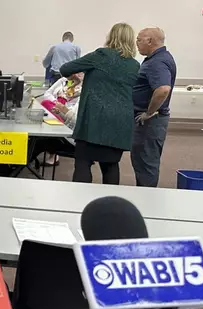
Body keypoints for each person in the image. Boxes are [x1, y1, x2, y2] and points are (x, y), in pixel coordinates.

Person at [59, 22, 140, 185]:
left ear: (111, 36)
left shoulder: (100, 56)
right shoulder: (134, 65)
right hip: (120, 121)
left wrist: (75, 77)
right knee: (111, 164)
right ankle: (110, 202)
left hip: (94, 119)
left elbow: (65, 68)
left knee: (83, 162)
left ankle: (78, 202)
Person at [131, 27, 176, 187]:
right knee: (144, 162)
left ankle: (146, 203)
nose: (136, 43)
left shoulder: (157, 62)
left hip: (150, 122)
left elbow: (163, 89)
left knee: (146, 163)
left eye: (139, 39)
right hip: (152, 121)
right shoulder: (158, 58)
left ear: (150, 41)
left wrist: (148, 113)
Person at [40, 72, 84, 165]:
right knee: (45, 103)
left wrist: (63, 108)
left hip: (69, 122)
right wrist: (57, 102)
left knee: (41, 140)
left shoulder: (85, 88)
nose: (77, 74)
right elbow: (47, 94)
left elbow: (74, 117)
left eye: (81, 72)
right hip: (57, 109)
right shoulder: (63, 81)